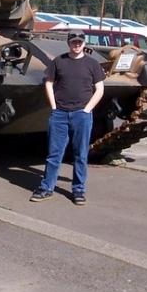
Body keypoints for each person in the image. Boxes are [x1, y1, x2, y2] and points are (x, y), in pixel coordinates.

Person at [30, 30, 105, 206]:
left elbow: (100, 89)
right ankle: (47, 187)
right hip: (60, 114)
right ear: (69, 43)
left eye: (79, 42)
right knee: (54, 154)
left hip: (82, 114)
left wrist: (87, 109)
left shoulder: (92, 64)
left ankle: (78, 190)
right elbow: (48, 82)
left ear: (84, 43)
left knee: (81, 154)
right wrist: (54, 107)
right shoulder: (59, 61)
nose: (76, 45)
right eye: (73, 42)